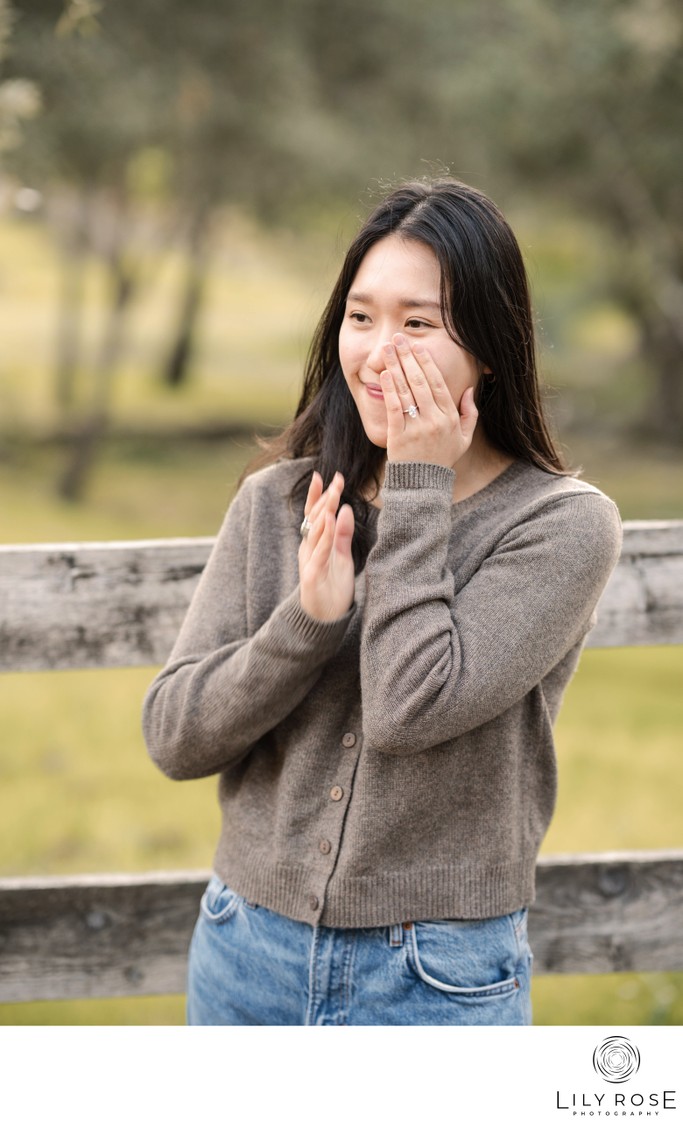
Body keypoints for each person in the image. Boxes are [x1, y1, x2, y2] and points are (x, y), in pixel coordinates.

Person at [142, 177, 622, 1026]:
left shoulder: (561, 526)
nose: (377, 352)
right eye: (359, 318)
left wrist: (415, 481)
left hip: (434, 976)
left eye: (418, 323)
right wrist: (305, 625)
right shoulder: (278, 501)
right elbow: (174, 737)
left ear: (489, 346)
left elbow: (408, 704)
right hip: (245, 948)